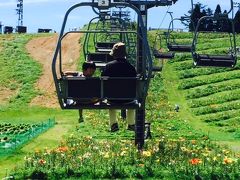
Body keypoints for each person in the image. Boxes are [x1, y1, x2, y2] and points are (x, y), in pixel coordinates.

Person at [101, 42, 137, 132]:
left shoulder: (108, 66)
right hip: (128, 99)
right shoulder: (131, 67)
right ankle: (131, 123)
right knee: (132, 101)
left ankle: (113, 124)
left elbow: (102, 79)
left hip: (112, 98)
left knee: (110, 101)